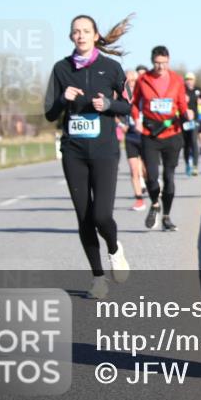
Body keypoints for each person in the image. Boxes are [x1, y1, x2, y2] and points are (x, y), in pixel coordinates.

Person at [44, 15, 133, 300]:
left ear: (95, 35)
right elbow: (49, 113)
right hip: (74, 152)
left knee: (102, 215)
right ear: (71, 37)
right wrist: (63, 99)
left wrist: (108, 104)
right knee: (84, 217)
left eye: (85, 31)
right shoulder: (61, 69)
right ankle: (97, 278)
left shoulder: (112, 68)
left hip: (105, 150)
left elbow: (127, 106)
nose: (80, 35)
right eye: (75, 32)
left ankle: (115, 248)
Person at [131, 45, 191, 232]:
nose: (160, 67)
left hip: (172, 133)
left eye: (164, 63)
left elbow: (181, 103)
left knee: (169, 177)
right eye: (157, 63)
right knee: (152, 177)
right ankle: (155, 203)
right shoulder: (143, 80)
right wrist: (137, 120)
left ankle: (166, 216)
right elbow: (134, 104)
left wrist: (187, 114)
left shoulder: (177, 80)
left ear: (169, 61)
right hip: (150, 134)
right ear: (152, 62)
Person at [121, 69, 147, 212]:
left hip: (144, 136)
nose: (131, 84)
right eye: (128, 81)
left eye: (133, 81)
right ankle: (139, 200)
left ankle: (153, 186)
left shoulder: (143, 96)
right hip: (130, 136)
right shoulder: (121, 96)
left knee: (145, 170)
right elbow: (114, 113)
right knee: (133, 170)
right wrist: (121, 125)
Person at [182, 72, 201, 176]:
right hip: (184, 120)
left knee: (194, 142)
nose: (189, 81)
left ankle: (195, 166)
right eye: (187, 79)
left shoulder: (197, 90)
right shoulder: (182, 90)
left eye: (191, 79)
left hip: (194, 120)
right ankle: (187, 164)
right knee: (186, 144)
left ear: (194, 80)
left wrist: (200, 101)